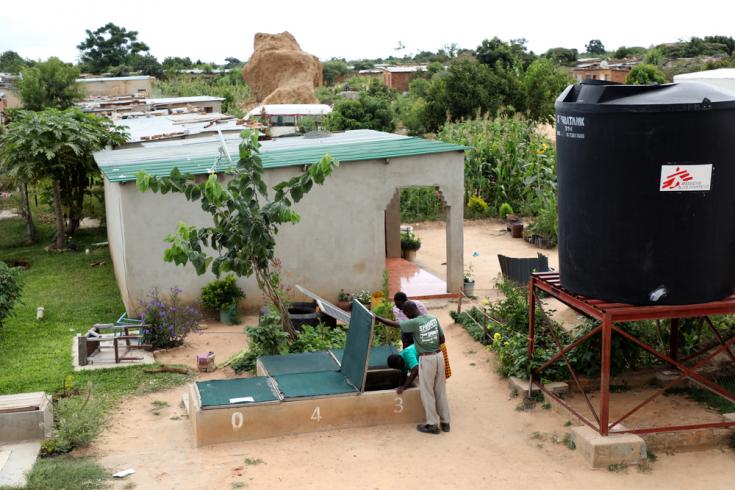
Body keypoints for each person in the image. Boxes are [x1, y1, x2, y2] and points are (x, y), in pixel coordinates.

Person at [376, 301, 450, 435]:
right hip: (439, 356)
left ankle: (432, 424)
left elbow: (395, 324)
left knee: (427, 392)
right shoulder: (433, 318)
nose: (406, 317)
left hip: (427, 358)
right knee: (440, 390)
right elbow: (442, 339)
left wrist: (377, 318)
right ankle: (445, 422)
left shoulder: (415, 322)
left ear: (410, 311)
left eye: (405, 314)